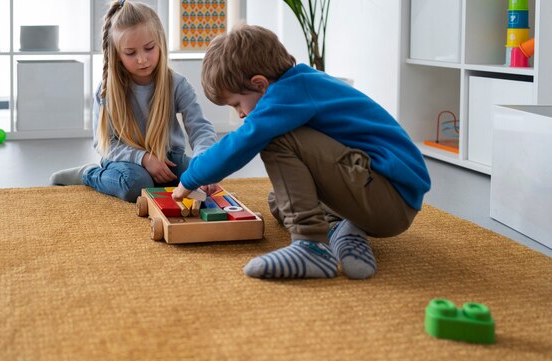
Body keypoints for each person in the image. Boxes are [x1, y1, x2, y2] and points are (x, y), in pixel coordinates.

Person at [172, 24, 431, 280]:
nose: (240, 113)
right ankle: (343, 230)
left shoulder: (289, 93)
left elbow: (240, 143)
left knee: (275, 138)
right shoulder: (302, 85)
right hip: (379, 195)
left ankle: (311, 245)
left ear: (260, 84)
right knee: (280, 201)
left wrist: (190, 177)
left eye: (238, 103)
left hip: (389, 197)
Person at [50, 0, 217, 202]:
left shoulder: (177, 84)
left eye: (149, 48)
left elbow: (200, 128)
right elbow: (105, 145)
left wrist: (204, 164)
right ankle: (88, 174)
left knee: (197, 178)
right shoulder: (107, 91)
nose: (142, 59)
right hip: (124, 160)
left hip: (167, 158)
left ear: (160, 43)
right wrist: (144, 158)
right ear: (118, 55)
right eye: (131, 53)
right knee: (136, 185)